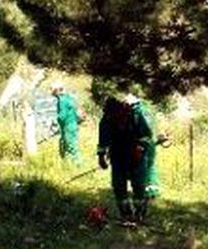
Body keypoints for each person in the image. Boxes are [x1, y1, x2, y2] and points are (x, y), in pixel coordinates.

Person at [97, 94, 160, 226]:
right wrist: (101, 157)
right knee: (118, 186)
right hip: (117, 157)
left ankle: (139, 213)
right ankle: (125, 214)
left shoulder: (136, 116)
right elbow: (103, 140)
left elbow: (147, 135)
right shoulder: (106, 120)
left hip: (136, 157)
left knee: (139, 185)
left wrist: (140, 148)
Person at [51, 82, 84, 165]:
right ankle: (70, 163)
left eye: (52, 90)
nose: (51, 92)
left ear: (56, 91)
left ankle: (77, 164)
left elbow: (62, 115)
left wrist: (54, 122)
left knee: (70, 146)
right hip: (73, 125)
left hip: (67, 126)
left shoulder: (61, 101)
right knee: (70, 144)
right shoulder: (69, 97)